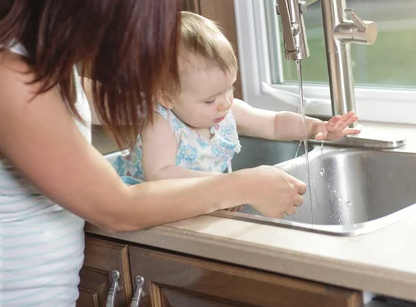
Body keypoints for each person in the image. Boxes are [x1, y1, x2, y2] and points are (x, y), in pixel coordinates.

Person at [0, 0, 309, 307]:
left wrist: (175, 100)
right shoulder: (3, 78)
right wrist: (242, 185)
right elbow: (116, 209)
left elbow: (66, 99)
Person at [111, 11, 361, 187]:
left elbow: (274, 123)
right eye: (210, 100)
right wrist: (230, 184)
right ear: (167, 97)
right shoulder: (161, 124)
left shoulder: (226, 112)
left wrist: (314, 127)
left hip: (200, 200)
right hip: (149, 209)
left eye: (229, 88)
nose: (225, 102)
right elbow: (160, 175)